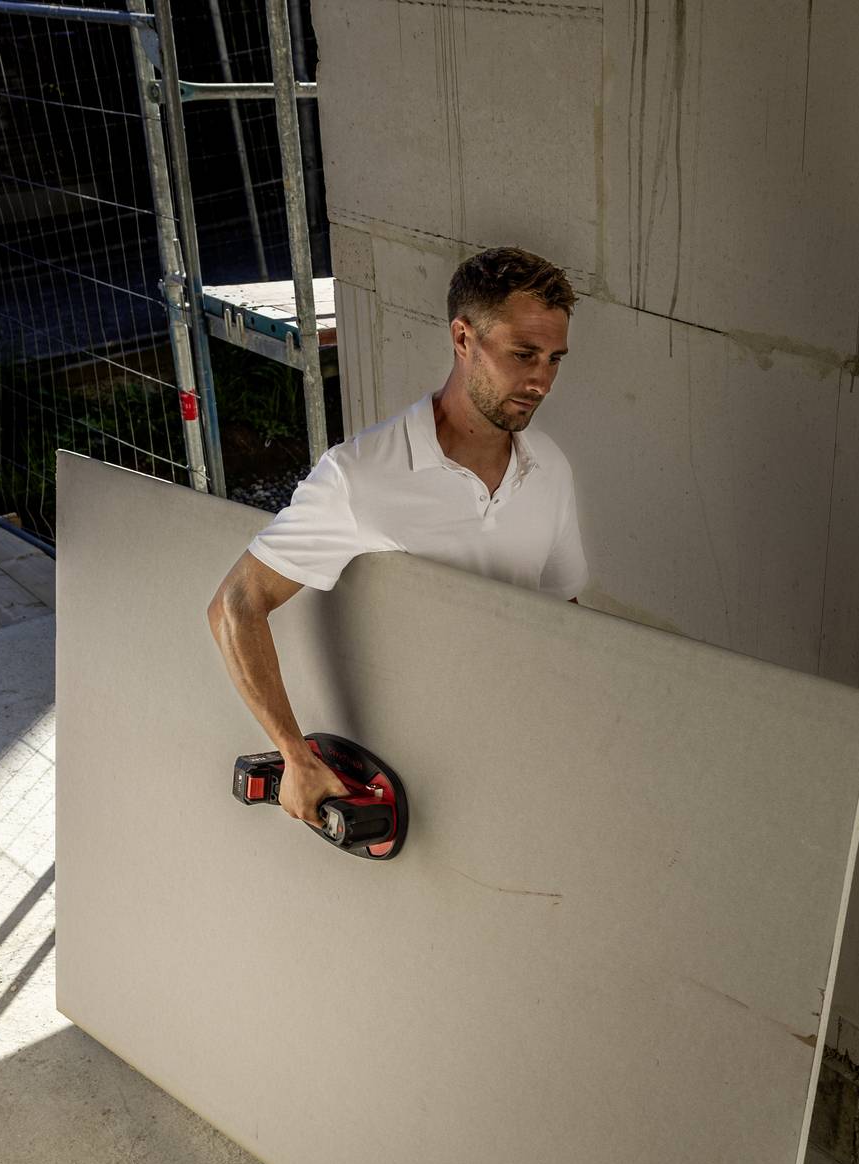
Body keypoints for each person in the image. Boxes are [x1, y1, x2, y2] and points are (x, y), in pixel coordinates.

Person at [205, 246, 586, 824]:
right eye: (523, 354)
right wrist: (295, 753)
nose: (542, 381)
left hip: (520, 766)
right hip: (415, 783)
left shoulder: (551, 468)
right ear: (463, 339)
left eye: (555, 359)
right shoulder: (361, 475)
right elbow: (235, 605)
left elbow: (567, 619)